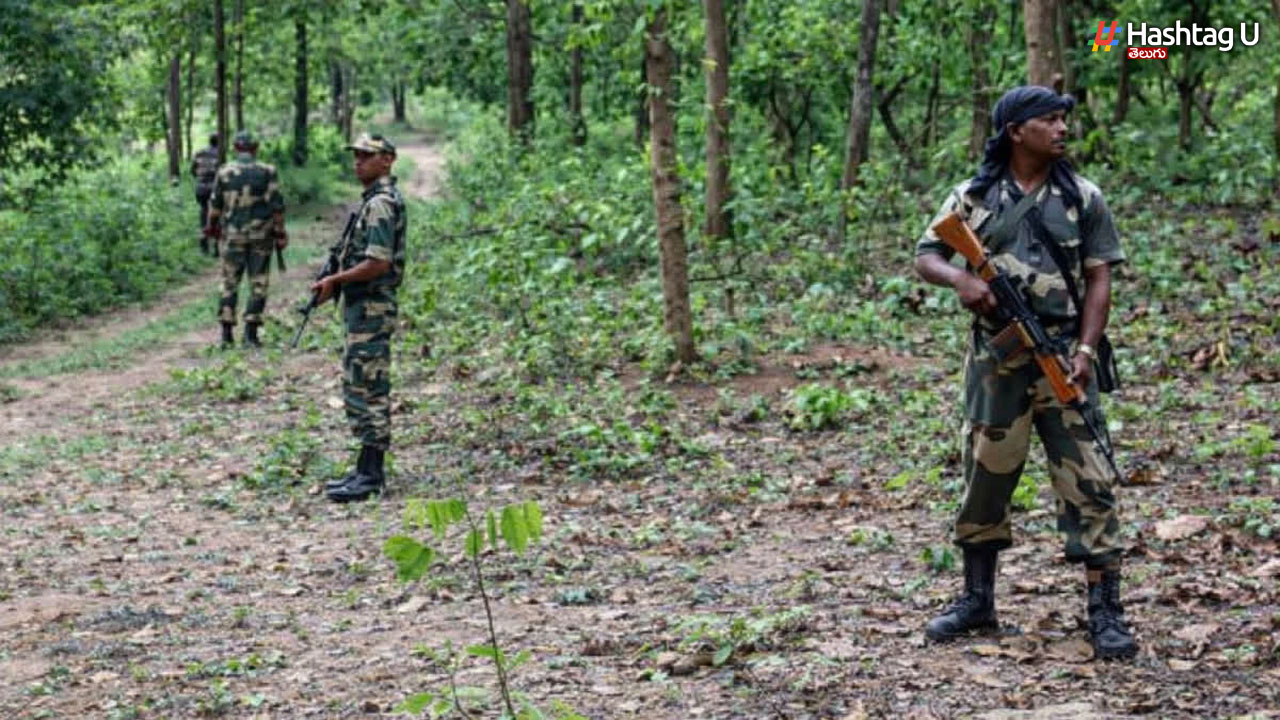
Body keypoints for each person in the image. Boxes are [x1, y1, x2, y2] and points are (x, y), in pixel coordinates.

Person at [913, 86, 1136, 660]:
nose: (1062, 129)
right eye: (1050, 120)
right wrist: (962, 280)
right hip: (996, 364)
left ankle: (1105, 610)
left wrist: (1085, 351)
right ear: (1016, 131)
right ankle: (977, 600)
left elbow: (1099, 279)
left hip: (1063, 357)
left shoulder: (1083, 197)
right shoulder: (973, 196)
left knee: (1090, 481)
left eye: (1064, 120)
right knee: (985, 478)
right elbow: (927, 255)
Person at [310, 133, 406, 503]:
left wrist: (336, 280)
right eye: (357, 156)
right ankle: (364, 469)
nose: (358, 162)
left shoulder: (381, 203)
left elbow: (377, 263)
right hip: (363, 308)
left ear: (387, 160)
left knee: (369, 387)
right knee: (360, 384)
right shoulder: (372, 201)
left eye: (367, 156)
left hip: (372, 308)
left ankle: (372, 476)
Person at [204, 130, 286, 348]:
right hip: (261, 236)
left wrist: (211, 228)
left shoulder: (224, 172)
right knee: (258, 282)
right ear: (255, 148)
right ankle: (251, 334)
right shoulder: (267, 171)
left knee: (229, 282)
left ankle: (226, 334)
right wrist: (280, 233)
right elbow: (277, 206)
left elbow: (215, 207)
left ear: (235, 148)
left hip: (233, 236)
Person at [191, 135, 221, 256]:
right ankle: (217, 247)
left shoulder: (199, 153)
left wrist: (201, 179)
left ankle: (204, 247)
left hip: (201, 189)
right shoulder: (220, 154)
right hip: (215, 189)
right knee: (218, 215)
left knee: (203, 214)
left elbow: (193, 171)